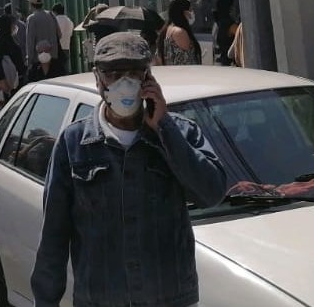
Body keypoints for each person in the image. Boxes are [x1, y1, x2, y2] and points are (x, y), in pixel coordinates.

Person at [31, 32, 227, 307]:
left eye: (134, 73)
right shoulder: (74, 143)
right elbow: (54, 234)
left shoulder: (180, 132)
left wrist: (164, 128)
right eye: (113, 73)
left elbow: (212, 192)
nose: (124, 82)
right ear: (98, 78)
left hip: (169, 299)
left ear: (149, 78)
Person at [157, 0, 202, 66]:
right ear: (183, 12)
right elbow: (187, 60)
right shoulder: (180, 32)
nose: (192, 13)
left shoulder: (167, 29)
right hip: (184, 74)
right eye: (190, 10)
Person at [0, 14, 26, 97]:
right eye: (12, 24)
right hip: (11, 83)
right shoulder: (7, 44)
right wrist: (2, 81)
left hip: (9, 82)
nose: (14, 27)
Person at [25, 0, 61, 67]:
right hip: (53, 56)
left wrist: (29, 59)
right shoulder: (51, 15)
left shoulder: (31, 18)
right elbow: (59, 34)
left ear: (31, 5)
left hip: (38, 59)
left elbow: (30, 41)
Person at [212, 0, 238, 66]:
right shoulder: (230, 24)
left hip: (219, 62)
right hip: (229, 63)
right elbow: (242, 37)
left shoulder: (217, 23)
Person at [51, 3, 74, 74]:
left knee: (57, 70)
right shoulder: (69, 21)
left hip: (57, 48)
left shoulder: (55, 20)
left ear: (55, 11)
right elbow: (70, 34)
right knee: (65, 69)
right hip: (66, 46)